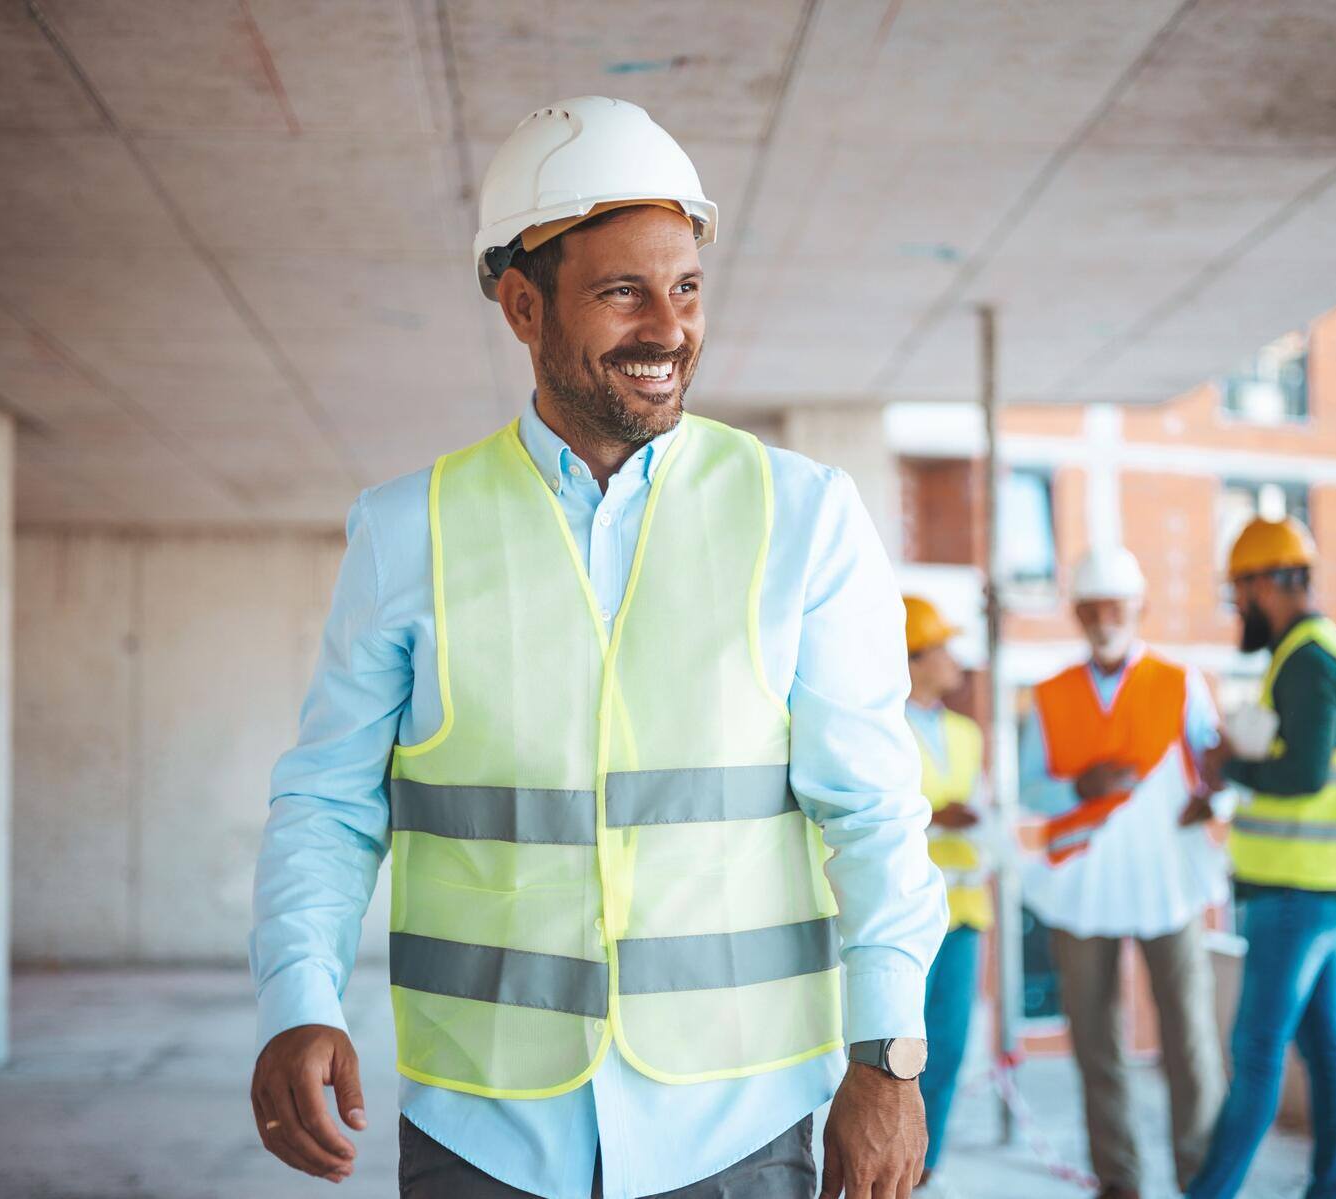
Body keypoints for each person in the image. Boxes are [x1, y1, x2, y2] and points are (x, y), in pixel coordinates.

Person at [246, 96, 947, 1199]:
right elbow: (330, 802)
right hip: (481, 1127)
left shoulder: (802, 514)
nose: (667, 329)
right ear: (523, 306)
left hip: (737, 1121)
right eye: (623, 290)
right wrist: (299, 996)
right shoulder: (404, 530)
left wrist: (888, 1054)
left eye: (687, 288)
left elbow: (874, 811)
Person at [1019, 546, 1229, 1198]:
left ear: (1138, 608)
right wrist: (1077, 786)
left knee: (1189, 1038)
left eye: (1118, 605)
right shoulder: (1051, 694)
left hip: (1166, 881)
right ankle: (1120, 1182)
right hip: (1080, 885)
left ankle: (1203, 1178)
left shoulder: (1180, 681)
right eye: (1094, 607)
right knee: (1095, 1041)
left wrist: (1213, 799)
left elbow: (1216, 769)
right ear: (1078, 613)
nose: (1106, 616)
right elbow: (1028, 786)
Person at [1187, 516, 1336, 1199]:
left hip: (1298, 891)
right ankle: (1331, 1191)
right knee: (1324, 1047)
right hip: (1312, 886)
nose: (1239, 604)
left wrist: (1229, 764)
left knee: (1258, 1054)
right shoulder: (1308, 653)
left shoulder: (1308, 659)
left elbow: (1304, 774)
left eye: (1241, 589)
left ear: (1269, 580)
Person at [901, 596, 989, 1196]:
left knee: (950, 1047)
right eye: (943, 648)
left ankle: (925, 1165)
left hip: (964, 914)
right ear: (914, 658)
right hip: (908, 917)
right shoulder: (882, 725)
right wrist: (938, 818)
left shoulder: (966, 733)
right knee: (902, 1050)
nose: (955, 659)